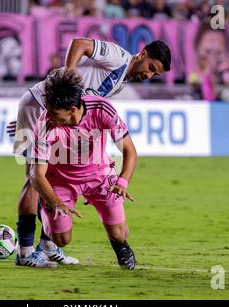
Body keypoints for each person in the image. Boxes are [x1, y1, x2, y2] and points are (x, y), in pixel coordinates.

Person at [11, 37, 171, 268]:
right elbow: (80, 43)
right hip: (45, 105)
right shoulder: (119, 58)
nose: (148, 75)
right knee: (35, 176)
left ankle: (48, 244)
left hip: (55, 110)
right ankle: (25, 251)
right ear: (142, 53)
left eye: (154, 75)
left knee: (55, 171)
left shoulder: (121, 80)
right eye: (151, 68)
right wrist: (69, 73)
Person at [30, 68, 138, 269]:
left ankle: (121, 247)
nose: (48, 115)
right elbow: (36, 175)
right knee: (61, 239)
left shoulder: (102, 110)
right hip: (61, 180)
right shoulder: (45, 123)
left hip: (100, 176)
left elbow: (130, 150)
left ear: (72, 109)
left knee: (119, 234)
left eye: (53, 112)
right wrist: (55, 202)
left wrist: (122, 181)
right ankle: (45, 208)